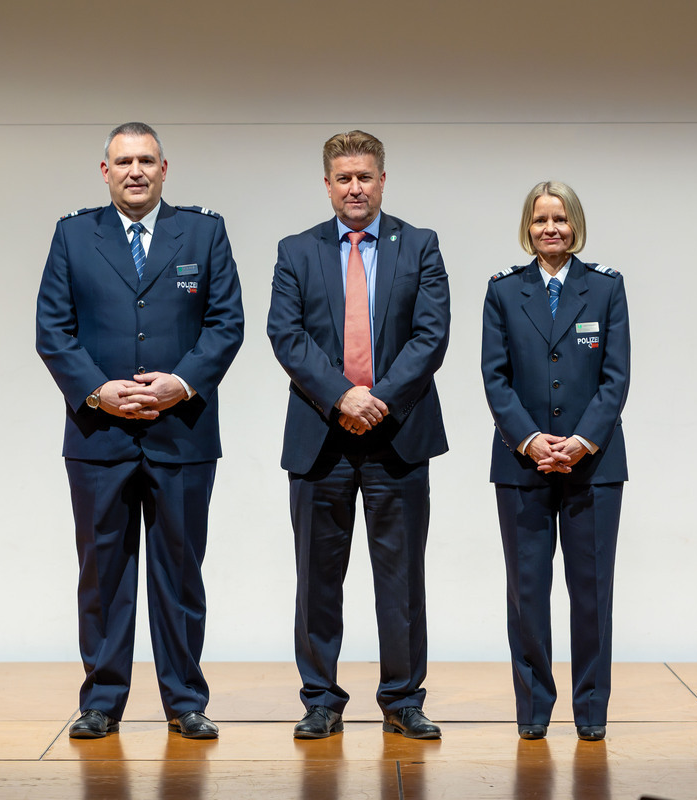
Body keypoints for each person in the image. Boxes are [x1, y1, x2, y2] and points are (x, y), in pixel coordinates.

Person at [35, 121, 243, 740]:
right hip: (99, 436)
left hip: (182, 433)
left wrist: (180, 383)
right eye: (123, 161)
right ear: (105, 171)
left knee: (179, 572)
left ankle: (185, 702)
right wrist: (99, 391)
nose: (134, 171)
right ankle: (101, 699)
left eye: (146, 160)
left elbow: (225, 324)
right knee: (103, 573)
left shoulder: (204, 232)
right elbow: (53, 330)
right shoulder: (74, 235)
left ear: (164, 168)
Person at [267, 130, 450, 740]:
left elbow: (431, 336)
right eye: (343, 177)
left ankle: (402, 700)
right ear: (327, 184)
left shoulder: (419, 245)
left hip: (397, 435)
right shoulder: (296, 250)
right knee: (317, 579)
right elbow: (285, 336)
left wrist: (379, 401)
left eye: (365, 176)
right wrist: (342, 396)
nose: (355, 187)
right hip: (321, 436)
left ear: (382, 179)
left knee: (401, 580)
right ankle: (321, 698)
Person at [480, 181, 630, 742]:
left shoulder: (606, 288)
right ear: (528, 226)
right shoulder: (502, 291)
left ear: (576, 225)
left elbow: (616, 380)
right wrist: (530, 440)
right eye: (541, 219)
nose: (551, 229)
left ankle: (591, 711)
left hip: (594, 466)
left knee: (592, 594)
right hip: (522, 466)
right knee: (527, 593)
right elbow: (494, 378)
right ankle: (534, 709)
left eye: (561, 220)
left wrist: (581, 442)